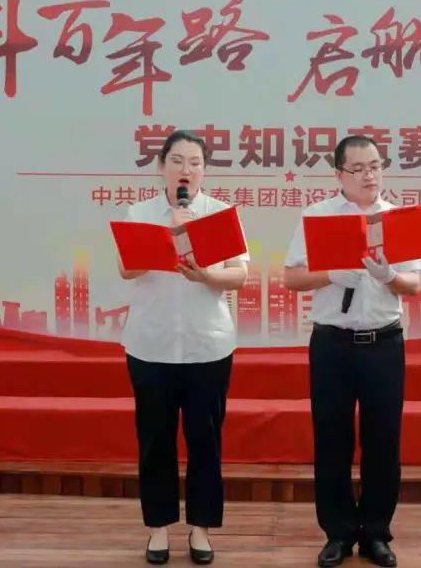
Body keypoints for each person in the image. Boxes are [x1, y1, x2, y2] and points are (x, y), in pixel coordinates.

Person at [283, 135, 421, 568]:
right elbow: (292, 278)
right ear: (339, 174)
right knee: (332, 441)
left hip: (383, 344)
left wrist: (388, 277)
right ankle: (338, 534)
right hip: (332, 345)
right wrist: (331, 275)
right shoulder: (318, 216)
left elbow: (414, 285)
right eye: (359, 168)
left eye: (376, 166)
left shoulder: (398, 218)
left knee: (383, 441)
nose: (370, 175)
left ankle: (376, 534)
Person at [117, 130, 249, 565]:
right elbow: (126, 269)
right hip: (150, 345)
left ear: (204, 170)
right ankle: (158, 528)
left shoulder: (220, 214)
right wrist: (167, 231)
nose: (185, 170)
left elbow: (239, 276)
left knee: (205, 439)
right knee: (155, 438)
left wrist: (206, 275)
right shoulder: (140, 213)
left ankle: (201, 529)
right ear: (161, 167)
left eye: (194, 163)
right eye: (176, 161)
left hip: (206, 346)